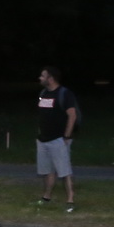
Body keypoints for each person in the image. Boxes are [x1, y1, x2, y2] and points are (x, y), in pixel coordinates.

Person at [36, 66, 78, 212]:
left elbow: (72, 115)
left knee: (64, 171)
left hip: (58, 139)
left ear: (51, 78)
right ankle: (46, 197)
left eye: (43, 76)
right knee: (47, 170)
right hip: (43, 140)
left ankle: (70, 200)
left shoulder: (64, 94)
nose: (40, 78)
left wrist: (67, 136)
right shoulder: (43, 93)